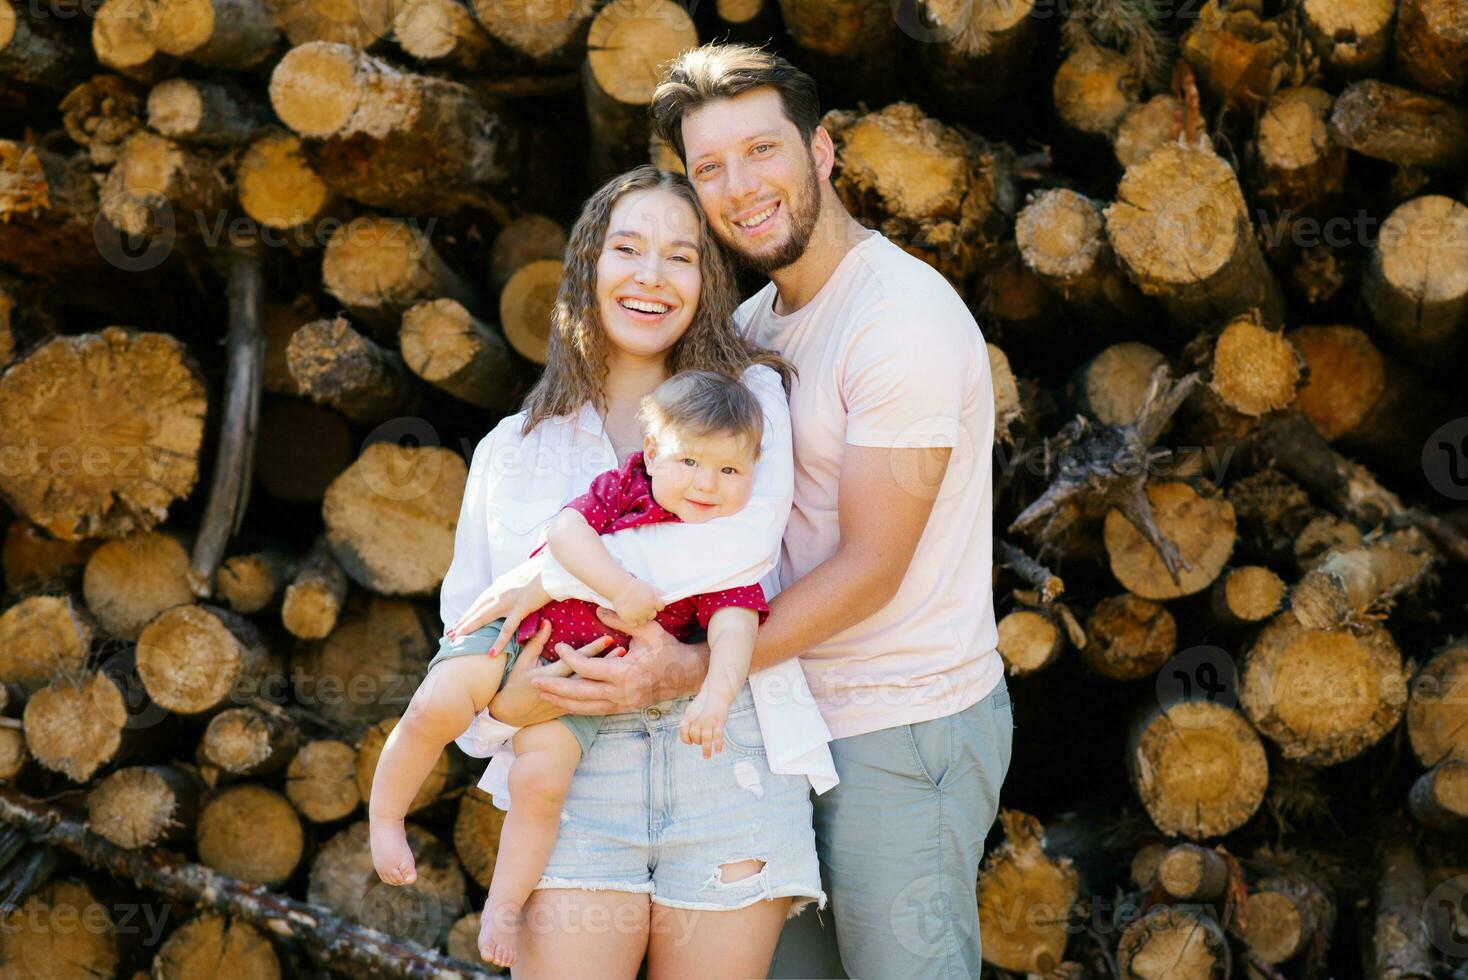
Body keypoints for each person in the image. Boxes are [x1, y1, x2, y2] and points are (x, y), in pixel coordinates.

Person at [449, 44, 1013, 979]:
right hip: (778, 730)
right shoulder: (750, 337)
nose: (740, 185)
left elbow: (874, 565)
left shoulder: (899, 319)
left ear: (822, 151)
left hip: (897, 726)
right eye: (709, 166)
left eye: (763, 151)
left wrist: (683, 670)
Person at [402, 164, 836, 978]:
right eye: (627, 248)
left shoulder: (750, 401)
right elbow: (465, 627)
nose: (650, 275)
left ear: (707, 281)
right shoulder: (513, 449)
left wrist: (553, 576)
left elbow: (735, 551)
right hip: (568, 779)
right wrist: (501, 711)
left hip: (726, 758)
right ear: (587, 268)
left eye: (681, 256)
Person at [370, 370, 777, 968]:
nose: (707, 485)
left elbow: (736, 627)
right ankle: (384, 817)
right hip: (515, 638)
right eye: (689, 461)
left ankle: (504, 907)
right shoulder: (625, 489)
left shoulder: (728, 551)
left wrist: (715, 697)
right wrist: (622, 586)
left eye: (730, 471)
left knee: (540, 787)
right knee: (436, 704)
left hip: (584, 688)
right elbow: (565, 532)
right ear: (653, 452)